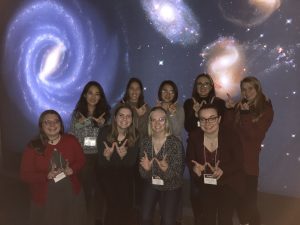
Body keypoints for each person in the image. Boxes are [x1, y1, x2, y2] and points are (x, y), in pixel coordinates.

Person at [20, 110, 86, 225]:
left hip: (71, 193)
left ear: (60, 125)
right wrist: (46, 176)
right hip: (46, 196)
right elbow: (25, 175)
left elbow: (81, 160)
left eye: (56, 121)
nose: (52, 125)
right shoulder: (33, 146)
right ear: (41, 125)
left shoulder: (71, 140)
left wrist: (72, 169)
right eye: (47, 122)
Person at [225, 76, 274, 225]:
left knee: (249, 207)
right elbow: (228, 130)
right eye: (243, 89)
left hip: (248, 165)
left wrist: (245, 115)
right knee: (236, 204)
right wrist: (229, 110)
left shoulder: (266, 109)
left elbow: (254, 137)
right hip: (233, 163)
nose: (246, 92)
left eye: (250, 88)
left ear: (257, 89)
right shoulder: (241, 106)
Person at [186, 104, 244, 225]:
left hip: (228, 182)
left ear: (219, 119)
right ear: (199, 121)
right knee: (208, 218)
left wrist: (223, 170)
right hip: (206, 182)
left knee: (225, 219)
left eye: (212, 118)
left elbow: (239, 161)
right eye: (203, 119)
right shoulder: (194, 136)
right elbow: (190, 159)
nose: (207, 123)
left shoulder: (231, 135)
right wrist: (195, 169)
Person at [184, 73, 226, 225]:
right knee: (196, 192)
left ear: (211, 86)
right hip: (196, 150)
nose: (202, 87)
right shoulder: (189, 102)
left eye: (206, 84)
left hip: (215, 151)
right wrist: (195, 114)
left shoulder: (220, 103)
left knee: (217, 192)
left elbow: (224, 128)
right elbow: (188, 127)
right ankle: (198, 219)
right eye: (199, 84)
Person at [69, 81, 110, 222]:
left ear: (100, 97)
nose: (93, 97)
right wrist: (86, 123)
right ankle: (83, 219)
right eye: (91, 93)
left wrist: (103, 126)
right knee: (85, 191)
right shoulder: (77, 114)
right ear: (85, 95)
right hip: (84, 157)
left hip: (100, 157)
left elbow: (109, 137)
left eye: (97, 94)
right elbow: (73, 136)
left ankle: (98, 219)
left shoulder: (105, 114)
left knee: (101, 191)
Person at [139, 106, 185, 225]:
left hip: (172, 185)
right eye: (153, 120)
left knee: (168, 221)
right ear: (150, 122)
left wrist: (166, 170)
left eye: (161, 119)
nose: (157, 123)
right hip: (152, 182)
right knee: (144, 218)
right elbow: (142, 173)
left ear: (166, 122)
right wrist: (148, 170)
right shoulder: (145, 142)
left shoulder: (175, 143)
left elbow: (178, 174)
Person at [96, 104, 140, 225]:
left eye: (128, 116)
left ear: (132, 119)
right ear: (115, 117)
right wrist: (108, 157)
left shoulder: (135, 134)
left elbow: (131, 164)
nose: (124, 119)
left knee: (125, 205)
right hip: (107, 174)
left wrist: (122, 157)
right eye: (121, 115)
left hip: (125, 175)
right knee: (113, 205)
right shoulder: (104, 132)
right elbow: (101, 163)